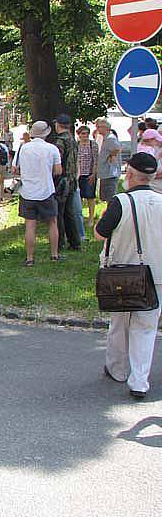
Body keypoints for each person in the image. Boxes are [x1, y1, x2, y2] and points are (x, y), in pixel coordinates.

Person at [96, 153, 162, 399]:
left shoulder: (120, 202)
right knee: (146, 329)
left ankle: (118, 369)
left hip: (122, 275)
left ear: (131, 174)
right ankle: (139, 382)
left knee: (119, 324)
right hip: (157, 276)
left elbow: (101, 233)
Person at [14, 120, 62, 266]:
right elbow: (58, 170)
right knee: (52, 222)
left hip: (27, 191)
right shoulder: (52, 149)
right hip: (46, 190)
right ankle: (54, 255)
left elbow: (16, 168)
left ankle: (30, 258)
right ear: (46, 133)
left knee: (30, 225)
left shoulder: (24, 148)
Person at [51, 114, 81, 252]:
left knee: (59, 213)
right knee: (69, 213)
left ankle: (59, 243)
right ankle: (75, 242)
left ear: (58, 125)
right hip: (72, 180)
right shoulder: (72, 139)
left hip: (62, 182)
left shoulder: (60, 142)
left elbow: (57, 163)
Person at [95, 117, 122, 202]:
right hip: (105, 173)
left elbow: (117, 148)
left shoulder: (110, 138)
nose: (97, 129)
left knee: (110, 198)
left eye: (99, 127)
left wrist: (111, 156)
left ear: (105, 128)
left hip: (110, 173)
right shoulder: (105, 138)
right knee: (105, 197)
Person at [77, 125, 98, 229]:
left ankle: (91, 218)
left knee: (90, 197)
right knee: (79, 197)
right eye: (83, 133)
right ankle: (79, 217)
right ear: (79, 135)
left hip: (89, 173)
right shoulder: (76, 145)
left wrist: (93, 174)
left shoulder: (92, 144)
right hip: (78, 175)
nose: (85, 136)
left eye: (86, 133)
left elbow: (95, 160)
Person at [137, 128, 162, 194]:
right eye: (156, 140)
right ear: (150, 140)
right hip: (153, 188)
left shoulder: (143, 148)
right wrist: (158, 157)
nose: (158, 142)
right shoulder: (147, 150)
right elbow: (148, 171)